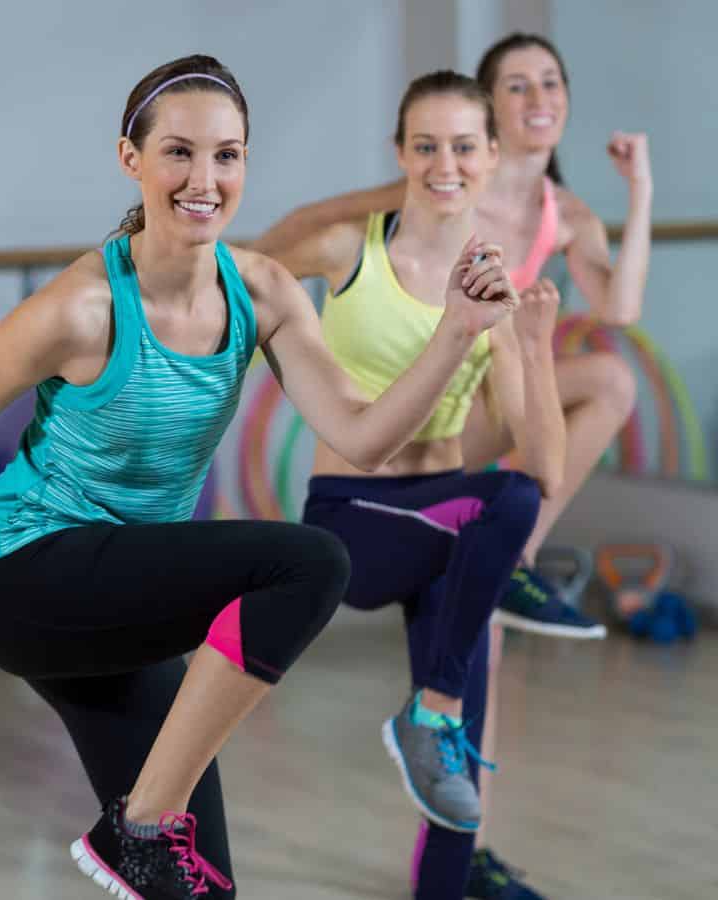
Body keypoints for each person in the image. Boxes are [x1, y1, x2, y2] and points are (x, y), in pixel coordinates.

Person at [0, 55, 516, 899]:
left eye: (227, 155)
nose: (204, 179)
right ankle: (140, 825)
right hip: (27, 576)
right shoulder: (82, 308)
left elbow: (364, 439)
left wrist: (455, 332)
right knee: (309, 562)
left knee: (203, 886)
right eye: (179, 152)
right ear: (132, 159)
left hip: (119, 603)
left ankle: (145, 831)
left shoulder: (263, 292)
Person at [259, 70, 566, 900]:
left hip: (451, 524)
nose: (446, 164)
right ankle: (430, 715)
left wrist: (534, 346)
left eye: (464, 147)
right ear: (398, 152)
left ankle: (439, 796)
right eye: (425, 146)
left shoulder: (492, 286)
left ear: (493, 154)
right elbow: (251, 264)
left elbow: (545, 467)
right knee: (503, 508)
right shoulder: (346, 247)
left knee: (456, 745)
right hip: (354, 519)